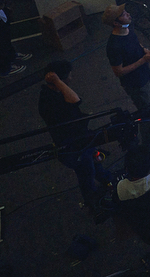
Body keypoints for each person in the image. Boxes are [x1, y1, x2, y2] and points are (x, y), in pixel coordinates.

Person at [38, 60, 109, 206]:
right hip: (73, 145)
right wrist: (58, 81)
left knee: (94, 162)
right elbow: (75, 100)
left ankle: (106, 179)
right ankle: (92, 200)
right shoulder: (49, 100)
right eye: (69, 76)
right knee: (86, 172)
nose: (71, 78)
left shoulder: (52, 93)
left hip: (81, 139)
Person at [104, 4, 150, 154]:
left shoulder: (127, 28)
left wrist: (144, 50)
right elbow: (119, 71)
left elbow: (135, 42)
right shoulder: (114, 46)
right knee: (145, 113)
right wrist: (143, 60)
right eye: (123, 14)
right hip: (136, 84)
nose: (128, 15)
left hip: (146, 74)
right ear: (115, 23)